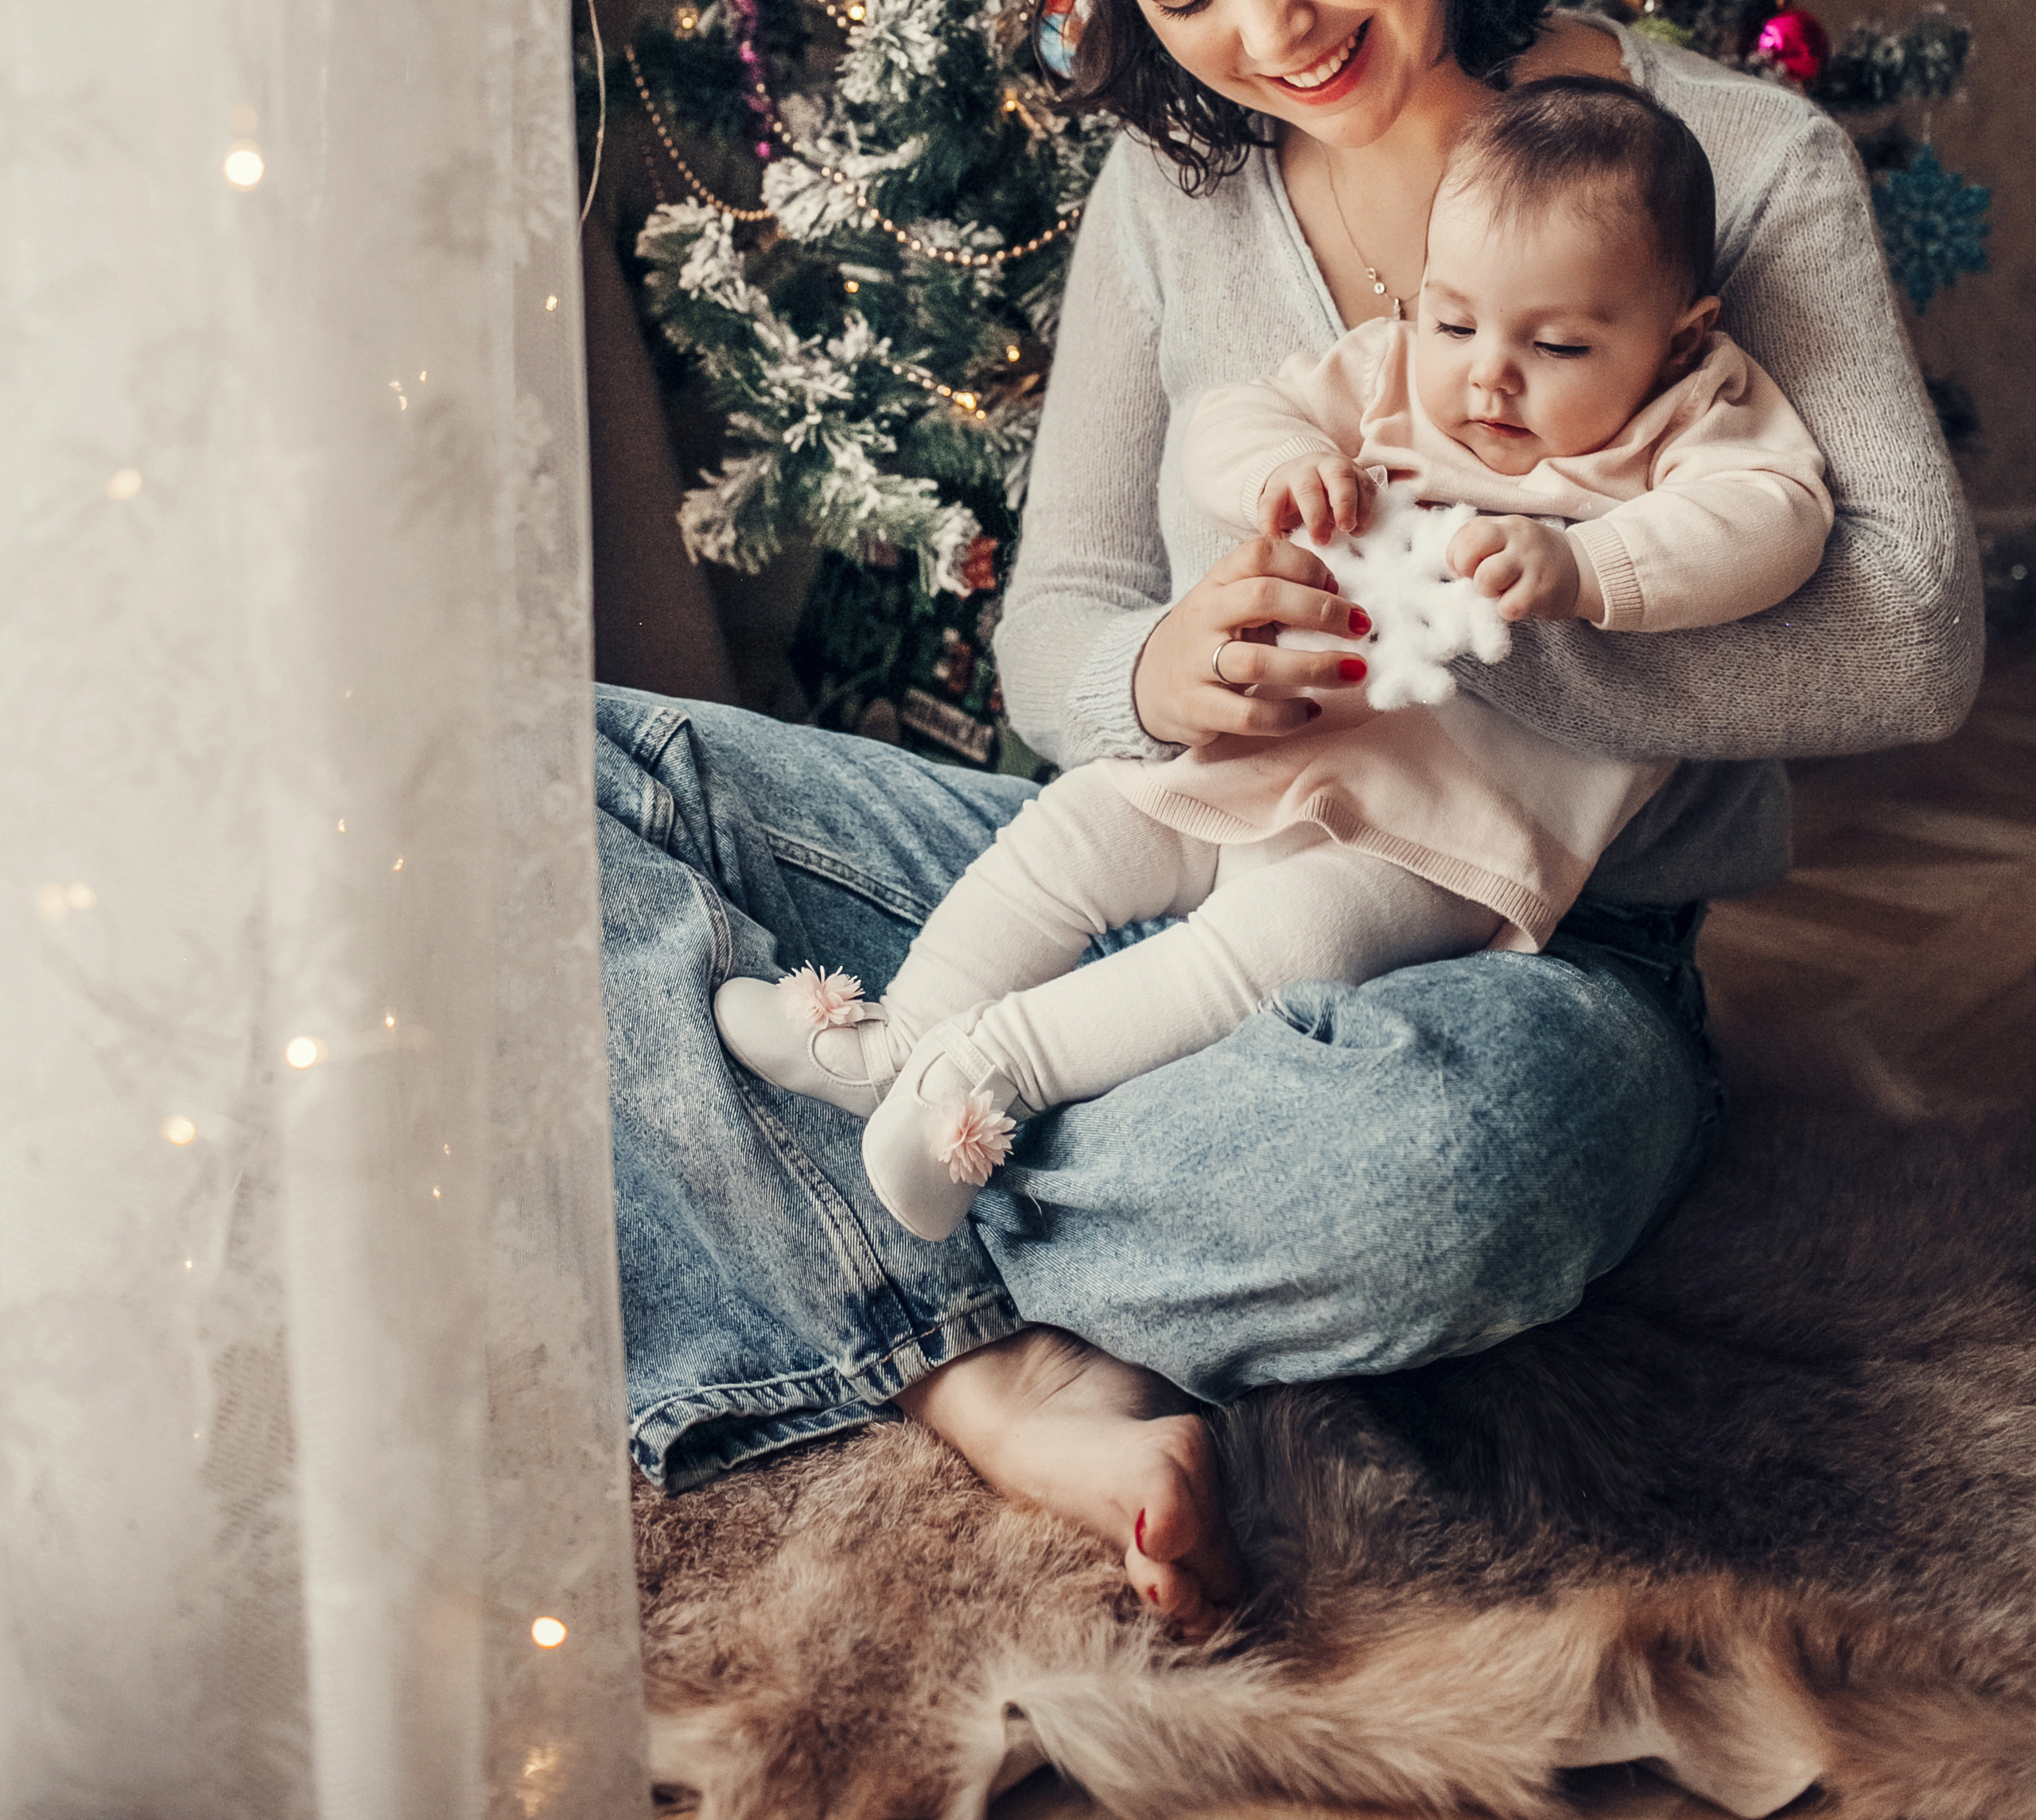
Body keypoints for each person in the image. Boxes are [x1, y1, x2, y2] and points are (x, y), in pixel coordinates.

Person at [595, 0, 1980, 1637]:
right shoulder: (1169, 190)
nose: (1260, 30)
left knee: (1438, 1170)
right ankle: (989, 1344)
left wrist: (1487, 614)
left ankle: (851, 1191)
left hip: (1498, 962)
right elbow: (1059, 620)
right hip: (1163, 840)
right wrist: (1163, 671)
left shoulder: (1728, 177)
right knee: (514, 785)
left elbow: (1913, 637)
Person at [710, 76, 1835, 1243]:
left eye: (1556, 344)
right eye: (1455, 321)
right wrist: (1283, 469)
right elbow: (1235, 416)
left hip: (1443, 840)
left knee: (1280, 945)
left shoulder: (1695, 416)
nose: (1488, 375)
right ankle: (895, 1037)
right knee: (1083, 823)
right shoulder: (1394, 373)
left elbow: (1776, 521)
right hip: (1277, 746)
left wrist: (1589, 568)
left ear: (1680, 336)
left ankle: (979, 1083)